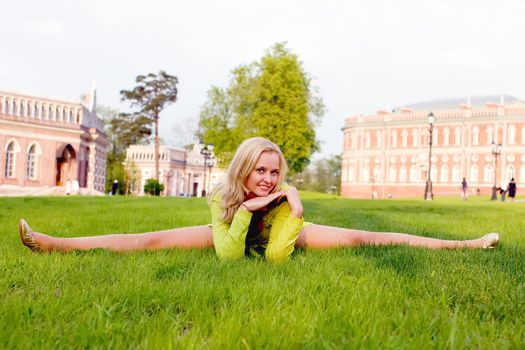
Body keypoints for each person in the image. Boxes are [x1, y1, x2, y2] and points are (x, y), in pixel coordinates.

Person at [19, 137, 500, 263]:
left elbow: (274, 256)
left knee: (365, 236)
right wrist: (244, 213)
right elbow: (229, 252)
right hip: (229, 233)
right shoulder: (222, 195)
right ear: (243, 169)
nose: (268, 179)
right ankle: (54, 244)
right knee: (149, 239)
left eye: (275, 171)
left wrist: (292, 213)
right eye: (261, 170)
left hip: (273, 236)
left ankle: (466, 246)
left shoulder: (284, 199)